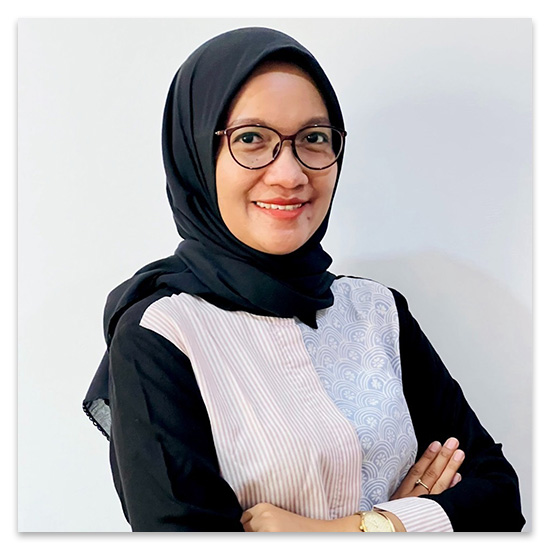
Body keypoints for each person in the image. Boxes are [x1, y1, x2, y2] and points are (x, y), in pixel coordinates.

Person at [83, 26, 525, 532]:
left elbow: (500, 500)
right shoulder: (163, 333)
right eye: (252, 139)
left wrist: (357, 528)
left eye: (313, 138)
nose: (290, 174)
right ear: (197, 155)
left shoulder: (377, 311)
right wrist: (420, 519)